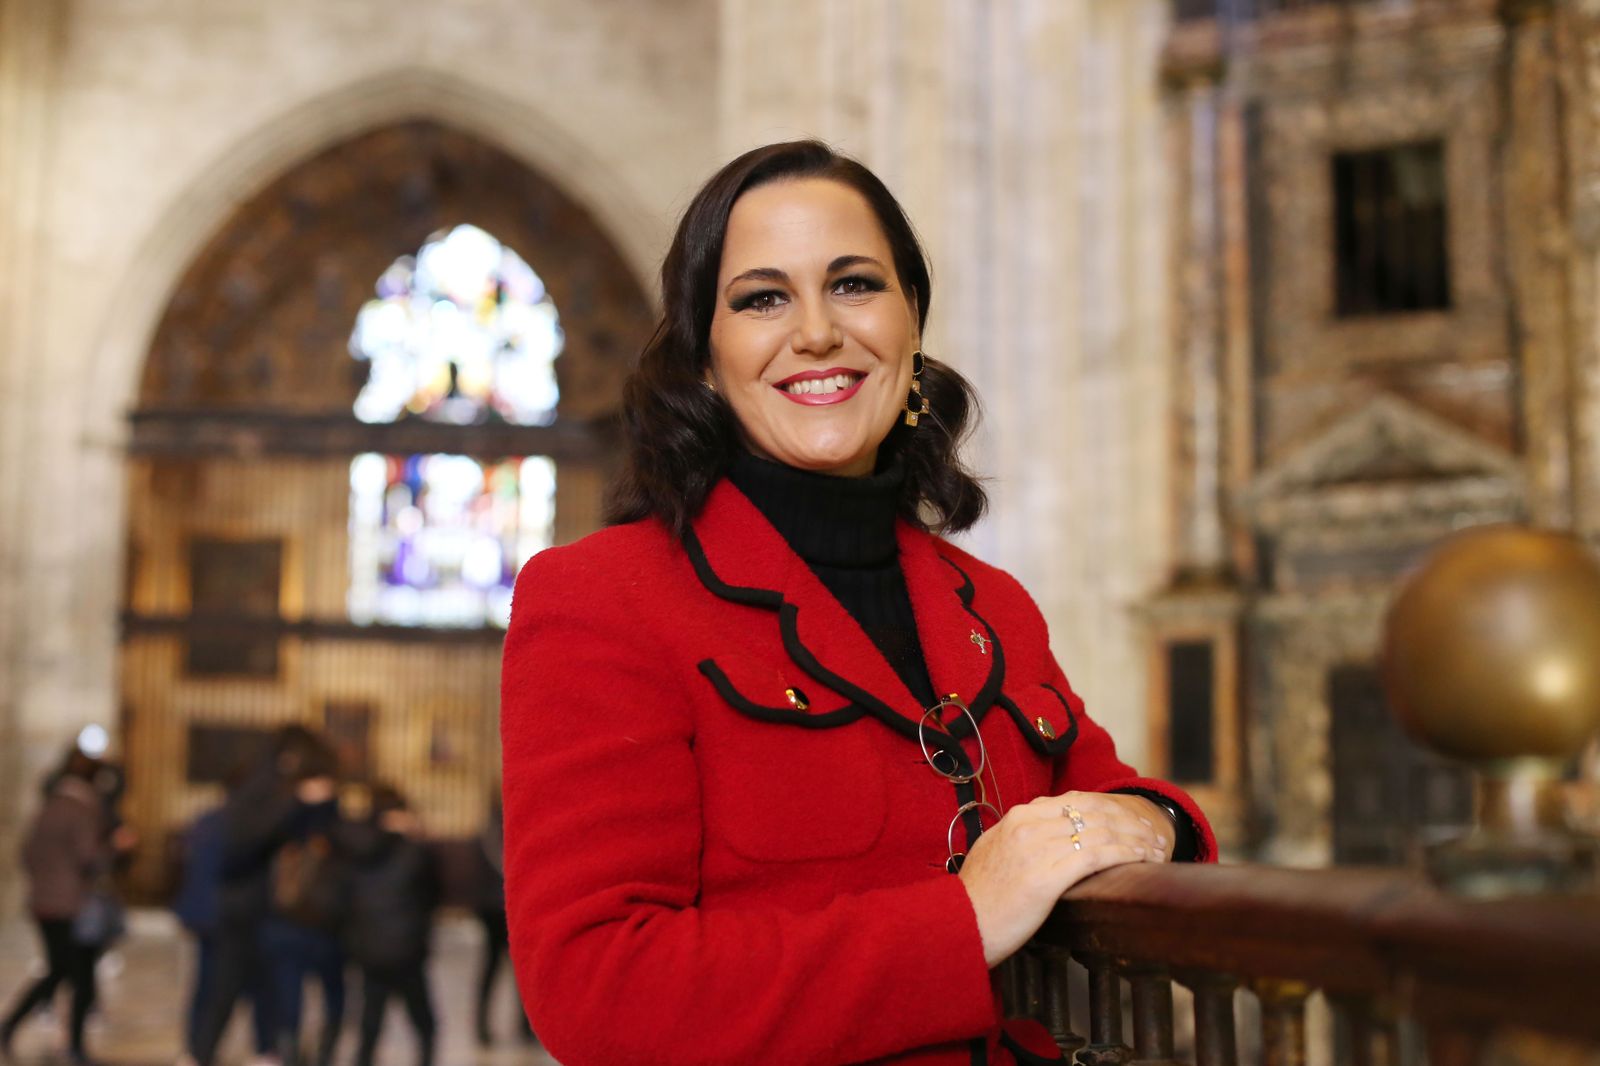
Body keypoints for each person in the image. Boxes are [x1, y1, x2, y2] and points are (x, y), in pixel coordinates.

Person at [499, 139, 1218, 1066]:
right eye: (762, 298)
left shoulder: (991, 605)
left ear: (912, 323)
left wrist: (1154, 823)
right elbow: (599, 992)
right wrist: (963, 923)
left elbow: (1129, 801)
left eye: (854, 285)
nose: (817, 333)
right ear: (705, 360)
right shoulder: (602, 599)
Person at [189, 726, 338, 1066]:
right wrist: (297, 803)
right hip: (242, 911)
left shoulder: (279, 791)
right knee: (223, 991)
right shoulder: (262, 791)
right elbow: (242, 846)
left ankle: (269, 1051)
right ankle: (202, 1054)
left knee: (271, 992)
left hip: (271, 916)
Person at [1, 748, 130, 1065]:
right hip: (73, 905)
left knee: (59, 969)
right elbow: (90, 856)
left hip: (45, 902)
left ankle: (12, 1026)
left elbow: (27, 853)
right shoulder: (82, 808)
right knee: (80, 976)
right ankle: (73, 1045)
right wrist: (117, 846)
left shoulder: (50, 806)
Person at [170, 796, 279, 1066]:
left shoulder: (209, 820)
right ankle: (259, 1049)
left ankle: (197, 1050)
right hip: (228, 919)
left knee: (208, 986)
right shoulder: (242, 826)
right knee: (233, 988)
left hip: (211, 916)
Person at [341, 785, 439, 1066]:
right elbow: (434, 891)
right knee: (422, 1019)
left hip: (368, 945)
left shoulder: (358, 846)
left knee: (370, 1018)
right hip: (407, 946)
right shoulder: (414, 849)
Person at [468, 794, 533, 1047]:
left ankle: (517, 1025)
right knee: (502, 967)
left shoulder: (487, 830)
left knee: (503, 968)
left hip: (494, 907)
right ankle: (502, 1025)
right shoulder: (500, 831)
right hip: (498, 908)